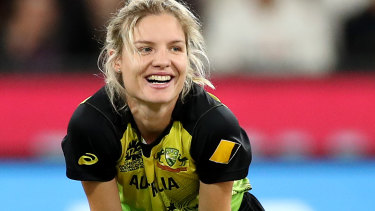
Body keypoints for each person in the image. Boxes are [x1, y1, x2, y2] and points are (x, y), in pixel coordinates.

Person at [61, 0, 264, 210]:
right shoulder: (91, 125)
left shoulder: (215, 126)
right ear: (117, 60)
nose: (162, 61)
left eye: (175, 48)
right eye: (146, 49)